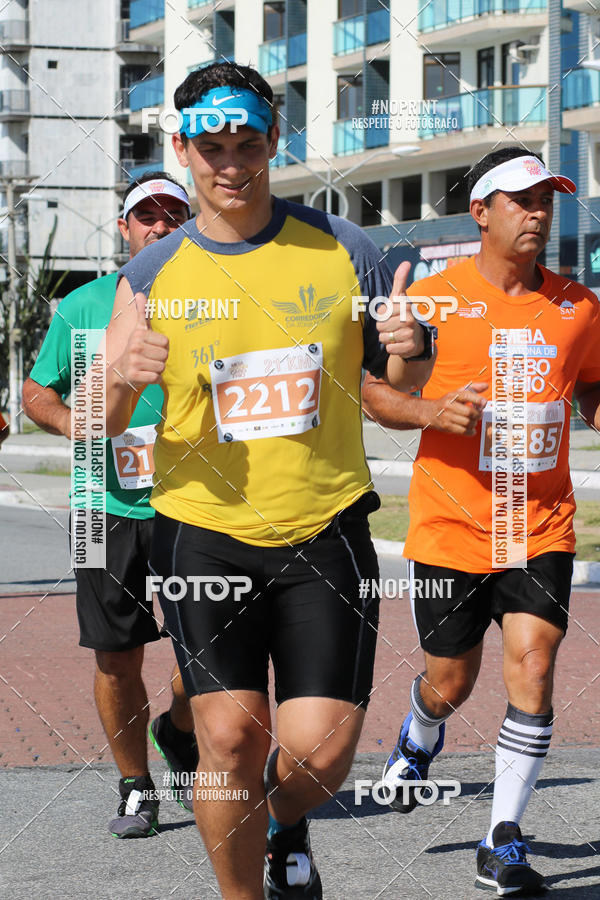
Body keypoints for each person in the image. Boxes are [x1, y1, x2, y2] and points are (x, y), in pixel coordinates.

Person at [101, 62, 435, 899]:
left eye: (247, 142)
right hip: (201, 530)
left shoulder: (344, 250)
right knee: (230, 743)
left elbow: (395, 397)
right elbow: (99, 423)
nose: (229, 161)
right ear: (181, 148)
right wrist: (115, 376)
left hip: (324, 531)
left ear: (273, 142)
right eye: (210, 145)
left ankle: (287, 825)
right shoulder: (149, 277)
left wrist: (414, 345)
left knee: (319, 756)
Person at [362, 145, 600, 896]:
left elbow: (592, 390)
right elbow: (380, 395)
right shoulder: (429, 301)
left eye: (546, 201)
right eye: (521, 200)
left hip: (541, 526)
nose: (537, 214)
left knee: (534, 662)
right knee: (451, 680)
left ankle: (502, 839)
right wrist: (427, 399)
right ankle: (419, 734)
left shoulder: (579, 305)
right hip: (452, 527)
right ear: (482, 212)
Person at [22, 172, 199, 838]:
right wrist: (72, 424)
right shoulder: (84, 307)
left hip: (193, 507)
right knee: (114, 656)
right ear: (124, 228)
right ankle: (135, 786)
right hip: (101, 506)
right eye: (145, 216)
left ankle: (177, 732)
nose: (160, 226)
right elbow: (38, 393)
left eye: (173, 214)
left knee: (207, 654)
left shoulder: (218, 304)